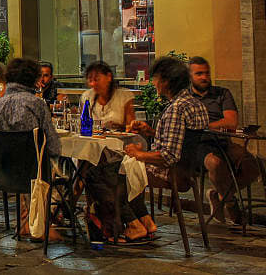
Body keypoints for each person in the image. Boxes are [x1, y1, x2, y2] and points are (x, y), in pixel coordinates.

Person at [0, 58, 62, 240]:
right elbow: (55, 147)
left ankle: (26, 222)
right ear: (33, 79)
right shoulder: (37, 105)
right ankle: (42, 222)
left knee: (30, 164)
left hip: (3, 176)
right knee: (55, 168)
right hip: (34, 176)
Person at [125, 57, 209, 235]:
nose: (153, 83)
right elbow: (182, 141)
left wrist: (138, 154)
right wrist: (152, 132)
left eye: (154, 79)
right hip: (188, 172)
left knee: (113, 173)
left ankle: (134, 225)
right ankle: (145, 222)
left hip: (170, 173)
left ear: (165, 81)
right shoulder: (196, 105)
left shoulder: (176, 109)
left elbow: (169, 156)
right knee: (124, 170)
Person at [188, 56, 259, 223]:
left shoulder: (222, 93)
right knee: (215, 164)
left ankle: (219, 195)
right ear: (190, 77)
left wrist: (206, 124)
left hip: (223, 140)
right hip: (199, 144)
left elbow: (231, 121)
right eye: (199, 74)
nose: (204, 77)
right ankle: (230, 203)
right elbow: (188, 125)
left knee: (252, 166)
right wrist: (211, 125)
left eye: (206, 73)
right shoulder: (186, 98)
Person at [80, 61, 135, 131]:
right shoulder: (86, 97)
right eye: (90, 80)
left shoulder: (124, 96)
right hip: (94, 140)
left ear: (109, 77)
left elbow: (131, 127)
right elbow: (82, 123)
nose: (93, 84)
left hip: (120, 140)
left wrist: (121, 127)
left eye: (97, 79)